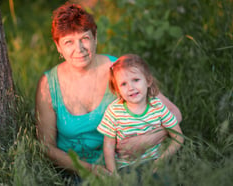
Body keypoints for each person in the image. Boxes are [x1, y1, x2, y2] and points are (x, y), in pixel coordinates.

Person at [35, 2, 182, 180]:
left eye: (85, 39)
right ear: (58, 46)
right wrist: (91, 170)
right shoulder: (48, 85)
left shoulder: (120, 70)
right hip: (76, 171)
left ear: (95, 38)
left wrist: (149, 139)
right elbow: (46, 146)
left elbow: (174, 113)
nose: (79, 49)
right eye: (69, 42)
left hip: (125, 166)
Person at [97, 54, 184, 174]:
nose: (131, 87)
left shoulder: (157, 106)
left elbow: (178, 137)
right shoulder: (114, 111)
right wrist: (113, 175)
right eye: (123, 84)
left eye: (136, 80)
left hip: (155, 161)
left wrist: (162, 160)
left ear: (148, 81)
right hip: (127, 167)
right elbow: (108, 146)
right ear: (117, 90)